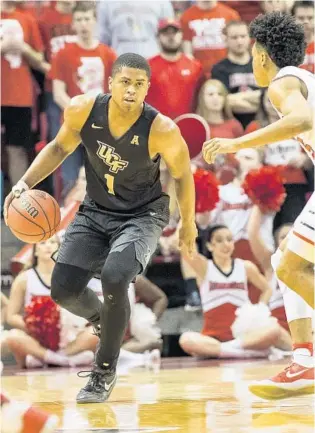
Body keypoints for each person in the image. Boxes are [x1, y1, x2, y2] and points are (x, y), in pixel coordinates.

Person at [4, 52, 197, 404]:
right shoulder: (83, 109)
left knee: (115, 275)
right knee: (62, 290)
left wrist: (189, 224)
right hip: (95, 210)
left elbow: (183, 176)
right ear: (110, 83)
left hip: (143, 215)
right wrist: (23, 184)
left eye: (139, 85)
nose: (131, 91)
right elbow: (60, 146)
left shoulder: (161, 129)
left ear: (147, 89)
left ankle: (103, 371)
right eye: (124, 82)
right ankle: (104, 320)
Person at [203, 12, 314, 397]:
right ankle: (304, 360)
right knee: (287, 262)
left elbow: (301, 120)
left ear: (262, 55)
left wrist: (236, 144)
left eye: (253, 53)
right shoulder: (304, 79)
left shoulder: (283, 83)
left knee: (287, 264)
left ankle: (305, 360)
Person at [178, 225, 284, 359]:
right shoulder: (204, 267)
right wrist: (185, 219)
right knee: (186, 339)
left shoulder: (245, 267)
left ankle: (224, 351)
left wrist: (260, 309)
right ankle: (239, 352)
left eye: (229, 239)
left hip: (244, 336)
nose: (226, 244)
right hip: (212, 338)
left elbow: (267, 289)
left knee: (274, 330)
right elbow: (184, 247)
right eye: (219, 240)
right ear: (210, 246)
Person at [51, 2, 117, 198]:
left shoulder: (108, 54)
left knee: (100, 179)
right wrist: (80, 113)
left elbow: (116, 92)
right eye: (79, 19)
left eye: (87, 19)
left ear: (95, 21)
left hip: (101, 127)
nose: (83, 24)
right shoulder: (62, 54)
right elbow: (58, 93)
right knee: (71, 181)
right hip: (72, 126)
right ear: (73, 23)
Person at [5, 235, 95, 369]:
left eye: (53, 242)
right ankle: (61, 359)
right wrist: (34, 325)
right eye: (42, 243)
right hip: (37, 340)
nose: (48, 245)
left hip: (68, 338)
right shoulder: (24, 279)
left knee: (98, 331)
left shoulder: (72, 278)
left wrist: (67, 322)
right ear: (35, 250)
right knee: (13, 336)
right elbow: (11, 316)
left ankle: (53, 358)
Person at [146, 19, 203, 120]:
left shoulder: (195, 66)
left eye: (175, 32)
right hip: (156, 127)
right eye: (165, 33)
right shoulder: (146, 67)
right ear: (158, 37)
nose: (171, 36)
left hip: (187, 126)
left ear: (181, 35)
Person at [211, 21, 260, 129]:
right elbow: (225, 102)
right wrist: (258, 99)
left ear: (249, 38)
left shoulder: (261, 65)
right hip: (232, 127)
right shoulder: (219, 69)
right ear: (226, 39)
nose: (239, 41)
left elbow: (268, 99)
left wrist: (235, 99)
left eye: (243, 36)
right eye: (234, 37)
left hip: (260, 126)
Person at [292, 0, 314, 73]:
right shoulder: (287, 48)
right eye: (301, 18)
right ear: (293, 19)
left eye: (310, 18)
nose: (306, 22)